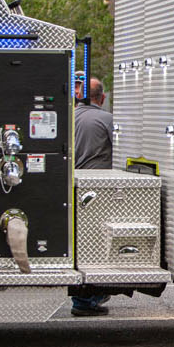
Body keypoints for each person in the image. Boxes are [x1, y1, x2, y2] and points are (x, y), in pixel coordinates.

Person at [71, 76, 114, 316]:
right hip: (97, 188)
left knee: (80, 243)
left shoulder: (70, 117)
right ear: (103, 97)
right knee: (96, 246)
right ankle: (85, 299)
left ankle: (84, 297)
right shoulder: (106, 119)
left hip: (73, 187)